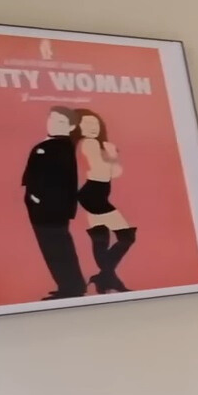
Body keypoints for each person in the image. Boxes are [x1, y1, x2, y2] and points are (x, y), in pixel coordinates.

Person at [20, 107, 86, 299]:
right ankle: (70, 286)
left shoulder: (59, 146)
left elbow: (55, 180)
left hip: (49, 208)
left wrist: (37, 198)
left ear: (71, 126)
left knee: (57, 247)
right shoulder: (53, 145)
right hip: (45, 207)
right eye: (52, 119)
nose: (53, 123)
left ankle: (71, 288)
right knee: (54, 248)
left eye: (60, 122)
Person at [73, 109, 134, 293]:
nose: (92, 128)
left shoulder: (99, 145)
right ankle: (107, 277)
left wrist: (110, 158)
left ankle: (105, 279)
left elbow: (115, 173)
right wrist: (112, 157)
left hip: (95, 194)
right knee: (126, 236)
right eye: (86, 123)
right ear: (78, 127)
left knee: (101, 238)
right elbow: (103, 170)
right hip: (94, 193)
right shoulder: (89, 143)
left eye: (95, 124)